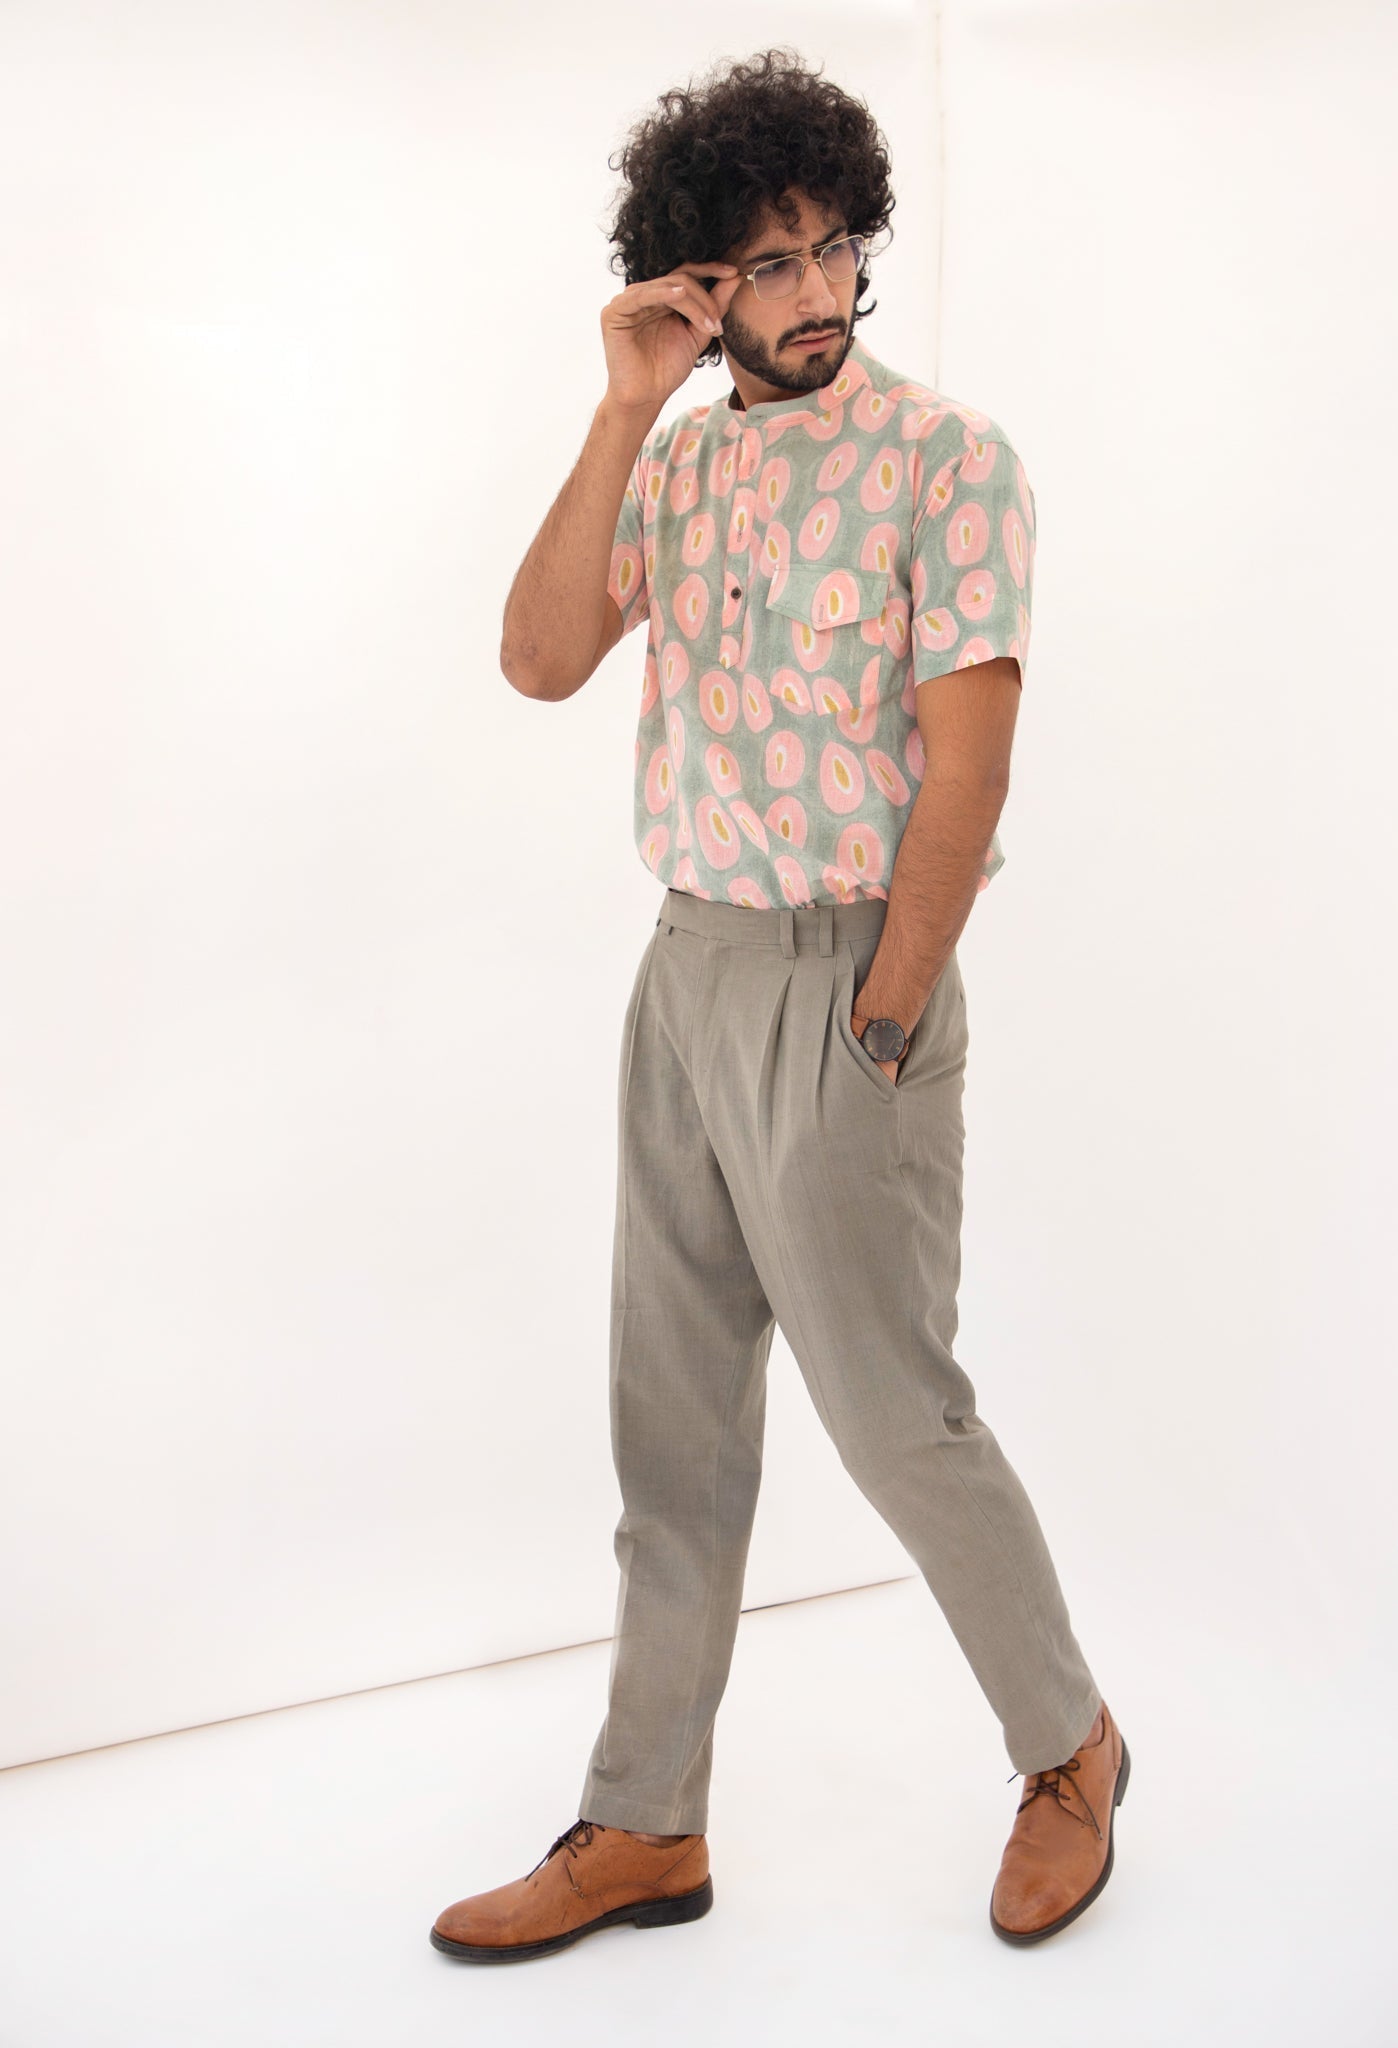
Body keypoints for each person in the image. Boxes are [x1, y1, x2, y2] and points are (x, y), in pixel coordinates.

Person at [431, 46, 1128, 1966]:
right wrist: (620, 407)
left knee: (896, 1418)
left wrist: (886, 1015)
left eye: (834, 248)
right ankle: (644, 1823)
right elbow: (538, 659)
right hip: (685, 975)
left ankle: (1067, 1748)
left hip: (850, 979)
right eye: (766, 262)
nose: (816, 292)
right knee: (669, 1430)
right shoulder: (676, 461)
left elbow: (967, 770)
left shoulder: (947, 461)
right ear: (694, 282)